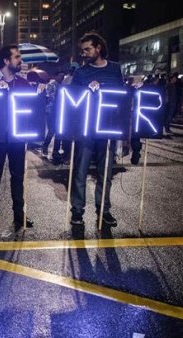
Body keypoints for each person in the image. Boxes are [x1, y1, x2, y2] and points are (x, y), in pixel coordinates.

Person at [70, 32, 123, 228]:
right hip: (87, 129)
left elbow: (121, 97)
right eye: (82, 50)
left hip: (108, 128)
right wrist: (86, 91)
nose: (84, 53)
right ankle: (77, 211)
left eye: (88, 49)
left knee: (105, 174)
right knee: (80, 172)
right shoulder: (81, 73)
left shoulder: (116, 69)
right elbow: (73, 100)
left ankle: (104, 210)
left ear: (98, 48)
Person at [0, 44, 35, 231]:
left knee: (18, 177)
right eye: (17, 57)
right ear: (6, 60)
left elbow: (32, 108)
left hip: (17, 138)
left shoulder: (24, 84)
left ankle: (19, 215)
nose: (21, 61)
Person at [42, 71, 66, 159]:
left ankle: (55, 152)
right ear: (56, 76)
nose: (62, 78)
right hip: (51, 111)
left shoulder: (63, 86)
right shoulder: (51, 85)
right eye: (60, 76)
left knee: (58, 132)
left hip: (60, 111)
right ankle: (45, 148)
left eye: (63, 76)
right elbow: (51, 96)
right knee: (51, 131)